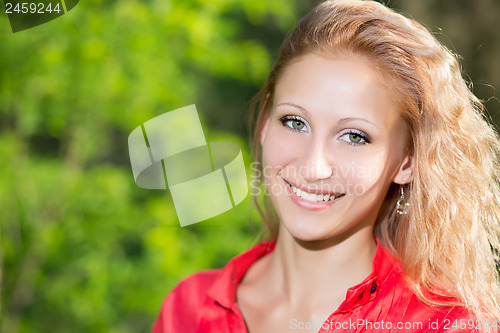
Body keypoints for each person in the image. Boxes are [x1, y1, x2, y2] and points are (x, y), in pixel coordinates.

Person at [152, 1, 500, 332]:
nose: (312, 167)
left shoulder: (451, 326)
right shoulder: (188, 310)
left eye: (353, 137)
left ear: (408, 161)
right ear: (264, 124)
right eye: (295, 122)